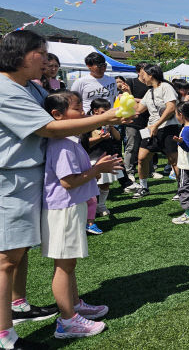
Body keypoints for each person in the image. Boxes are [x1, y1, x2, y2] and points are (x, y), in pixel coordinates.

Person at [0, 30, 128, 348]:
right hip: (12, 180)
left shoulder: (30, 85)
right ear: (20, 54)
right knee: (5, 259)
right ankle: (4, 334)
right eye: (40, 53)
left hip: (33, 179)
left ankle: (18, 305)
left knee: (19, 251)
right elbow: (50, 126)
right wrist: (109, 115)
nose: (46, 59)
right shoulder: (4, 89)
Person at [42, 91, 119, 339]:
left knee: (69, 262)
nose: (84, 112)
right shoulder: (62, 144)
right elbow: (67, 182)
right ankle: (67, 321)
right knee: (64, 265)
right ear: (57, 115)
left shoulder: (69, 140)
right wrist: (98, 169)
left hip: (70, 206)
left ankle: (73, 305)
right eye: (77, 107)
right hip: (64, 208)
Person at [132, 64, 179, 199]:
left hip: (168, 128)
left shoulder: (166, 87)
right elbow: (139, 110)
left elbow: (171, 108)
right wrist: (127, 95)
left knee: (173, 160)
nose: (142, 77)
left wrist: (156, 125)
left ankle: (181, 189)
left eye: (144, 74)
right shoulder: (149, 92)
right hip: (150, 128)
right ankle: (144, 186)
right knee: (141, 158)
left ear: (151, 75)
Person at [82, 99, 123, 234]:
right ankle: (88, 216)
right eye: (103, 111)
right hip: (92, 158)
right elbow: (85, 143)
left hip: (107, 156)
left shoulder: (108, 123)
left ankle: (101, 205)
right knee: (91, 187)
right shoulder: (88, 124)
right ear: (95, 111)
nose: (106, 113)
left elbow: (117, 138)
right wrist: (100, 138)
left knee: (105, 184)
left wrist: (111, 126)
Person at [122, 62, 150, 193]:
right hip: (133, 122)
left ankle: (149, 171)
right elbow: (125, 97)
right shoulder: (131, 82)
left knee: (146, 147)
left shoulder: (151, 84)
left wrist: (137, 99)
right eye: (145, 70)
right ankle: (129, 172)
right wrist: (144, 100)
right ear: (139, 71)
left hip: (147, 122)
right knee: (132, 146)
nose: (147, 73)